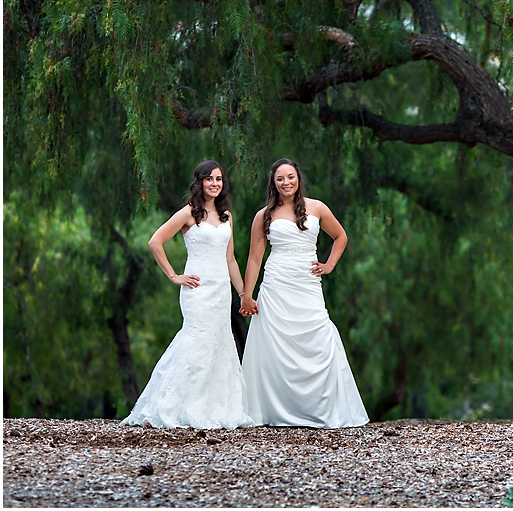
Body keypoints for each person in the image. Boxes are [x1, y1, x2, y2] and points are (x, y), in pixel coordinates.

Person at [123, 161, 253, 429]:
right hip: (196, 288)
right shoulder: (188, 214)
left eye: (219, 179)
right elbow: (155, 242)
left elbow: (230, 259)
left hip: (220, 290)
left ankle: (212, 408)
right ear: (199, 182)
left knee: (218, 342)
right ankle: (172, 405)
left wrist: (243, 293)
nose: (215, 183)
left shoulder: (227, 215)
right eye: (209, 179)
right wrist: (174, 276)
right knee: (196, 340)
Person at [240, 158, 369, 428]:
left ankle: (321, 409)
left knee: (319, 336)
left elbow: (340, 236)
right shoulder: (264, 215)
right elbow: (254, 259)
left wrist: (329, 265)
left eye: (290, 177)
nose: (286, 183)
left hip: (307, 283)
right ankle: (276, 410)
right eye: (280, 179)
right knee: (274, 345)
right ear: (273, 183)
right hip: (277, 283)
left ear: (298, 178)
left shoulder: (317, 207)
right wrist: (247, 295)